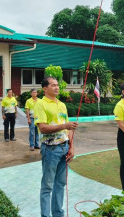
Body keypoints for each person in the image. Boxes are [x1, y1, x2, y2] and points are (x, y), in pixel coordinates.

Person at [34, 77, 78, 217]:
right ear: (45, 89)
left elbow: (69, 129)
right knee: (47, 186)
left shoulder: (62, 105)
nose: (57, 87)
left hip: (64, 147)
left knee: (60, 184)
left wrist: (71, 147)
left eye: (57, 85)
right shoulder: (40, 104)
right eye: (53, 85)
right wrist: (64, 126)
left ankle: (58, 214)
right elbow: (43, 128)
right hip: (50, 150)